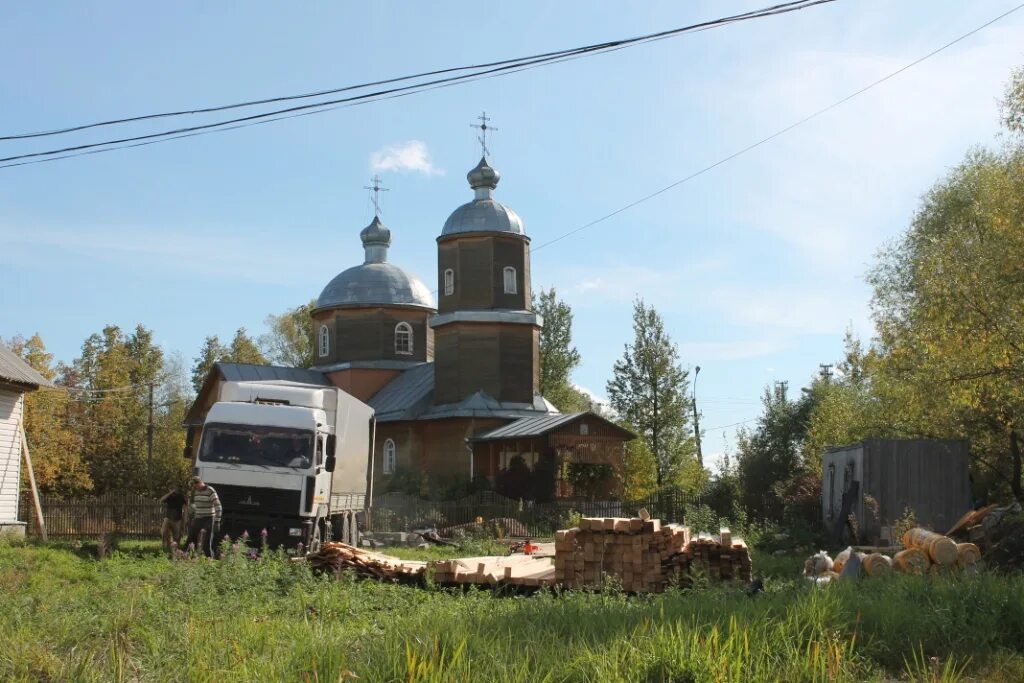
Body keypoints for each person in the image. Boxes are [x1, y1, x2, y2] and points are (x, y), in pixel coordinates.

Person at [184, 476, 222, 557]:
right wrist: (193, 518)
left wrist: (217, 521)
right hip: (198, 518)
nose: (195, 488)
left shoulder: (210, 490)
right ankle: (184, 555)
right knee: (191, 537)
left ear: (200, 483)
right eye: (193, 486)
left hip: (209, 518)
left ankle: (209, 559)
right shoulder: (196, 491)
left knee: (207, 542)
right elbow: (195, 506)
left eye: (195, 485)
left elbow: (218, 506)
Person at [158, 486, 187, 551]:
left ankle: (176, 548)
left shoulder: (181, 496)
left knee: (176, 535)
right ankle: (164, 546)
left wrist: (185, 518)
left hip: (177, 519)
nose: (173, 490)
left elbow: (185, 507)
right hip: (168, 517)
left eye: (174, 489)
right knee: (164, 531)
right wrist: (169, 493)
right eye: (171, 489)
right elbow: (161, 500)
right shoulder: (169, 496)